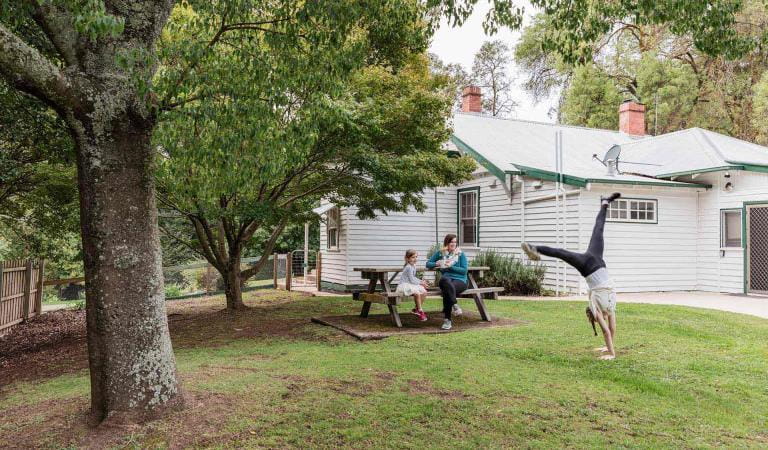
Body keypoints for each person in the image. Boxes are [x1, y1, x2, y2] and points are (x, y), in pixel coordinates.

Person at [521, 192, 621, 360]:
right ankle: (605, 203)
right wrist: (610, 351)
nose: (599, 320)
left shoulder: (604, 308)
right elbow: (609, 330)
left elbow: (609, 328)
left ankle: (604, 203)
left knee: (591, 234)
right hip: (593, 264)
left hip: (595, 267)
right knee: (587, 237)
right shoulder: (604, 308)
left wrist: (611, 351)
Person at [426, 234, 468, 330]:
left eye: (455, 242)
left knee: (447, 291)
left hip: (460, 280)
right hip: (447, 280)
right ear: (447, 242)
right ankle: (455, 304)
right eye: (451, 242)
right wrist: (437, 263)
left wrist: (450, 267)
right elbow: (428, 264)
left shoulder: (460, 254)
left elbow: (464, 271)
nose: (453, 244)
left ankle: (447, 320)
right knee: (445, 281)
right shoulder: (441, 253)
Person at [396, 249, 430, 321]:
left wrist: (421, 282)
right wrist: (421, 283)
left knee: (424, 292)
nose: (415, 259)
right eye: (413, 257)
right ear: (407, 259)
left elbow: (413, 278)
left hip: (411, 284)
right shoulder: (408, 267)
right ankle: (420, 311)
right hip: (404, 285)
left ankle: (416, 309)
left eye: (416, 257)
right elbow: (411, 279)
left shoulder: (414, 266)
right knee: (417, 293)